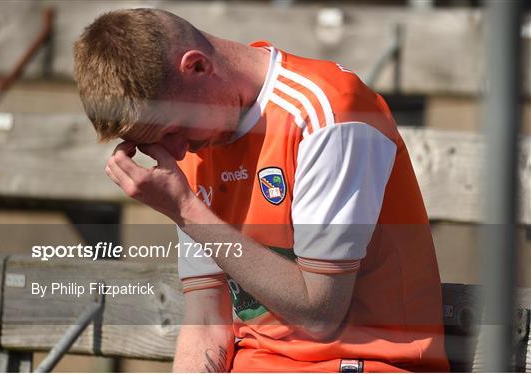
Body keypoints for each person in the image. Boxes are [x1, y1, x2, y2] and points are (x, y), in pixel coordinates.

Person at [74, 8, 449, 372]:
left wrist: (187, 211)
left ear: (198, 66)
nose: (176, 151)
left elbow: (319, 314)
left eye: (172, 131)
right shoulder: (192, 150)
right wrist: (187, 209)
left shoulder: (329, 114)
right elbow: (207, 322)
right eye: (156, 143)